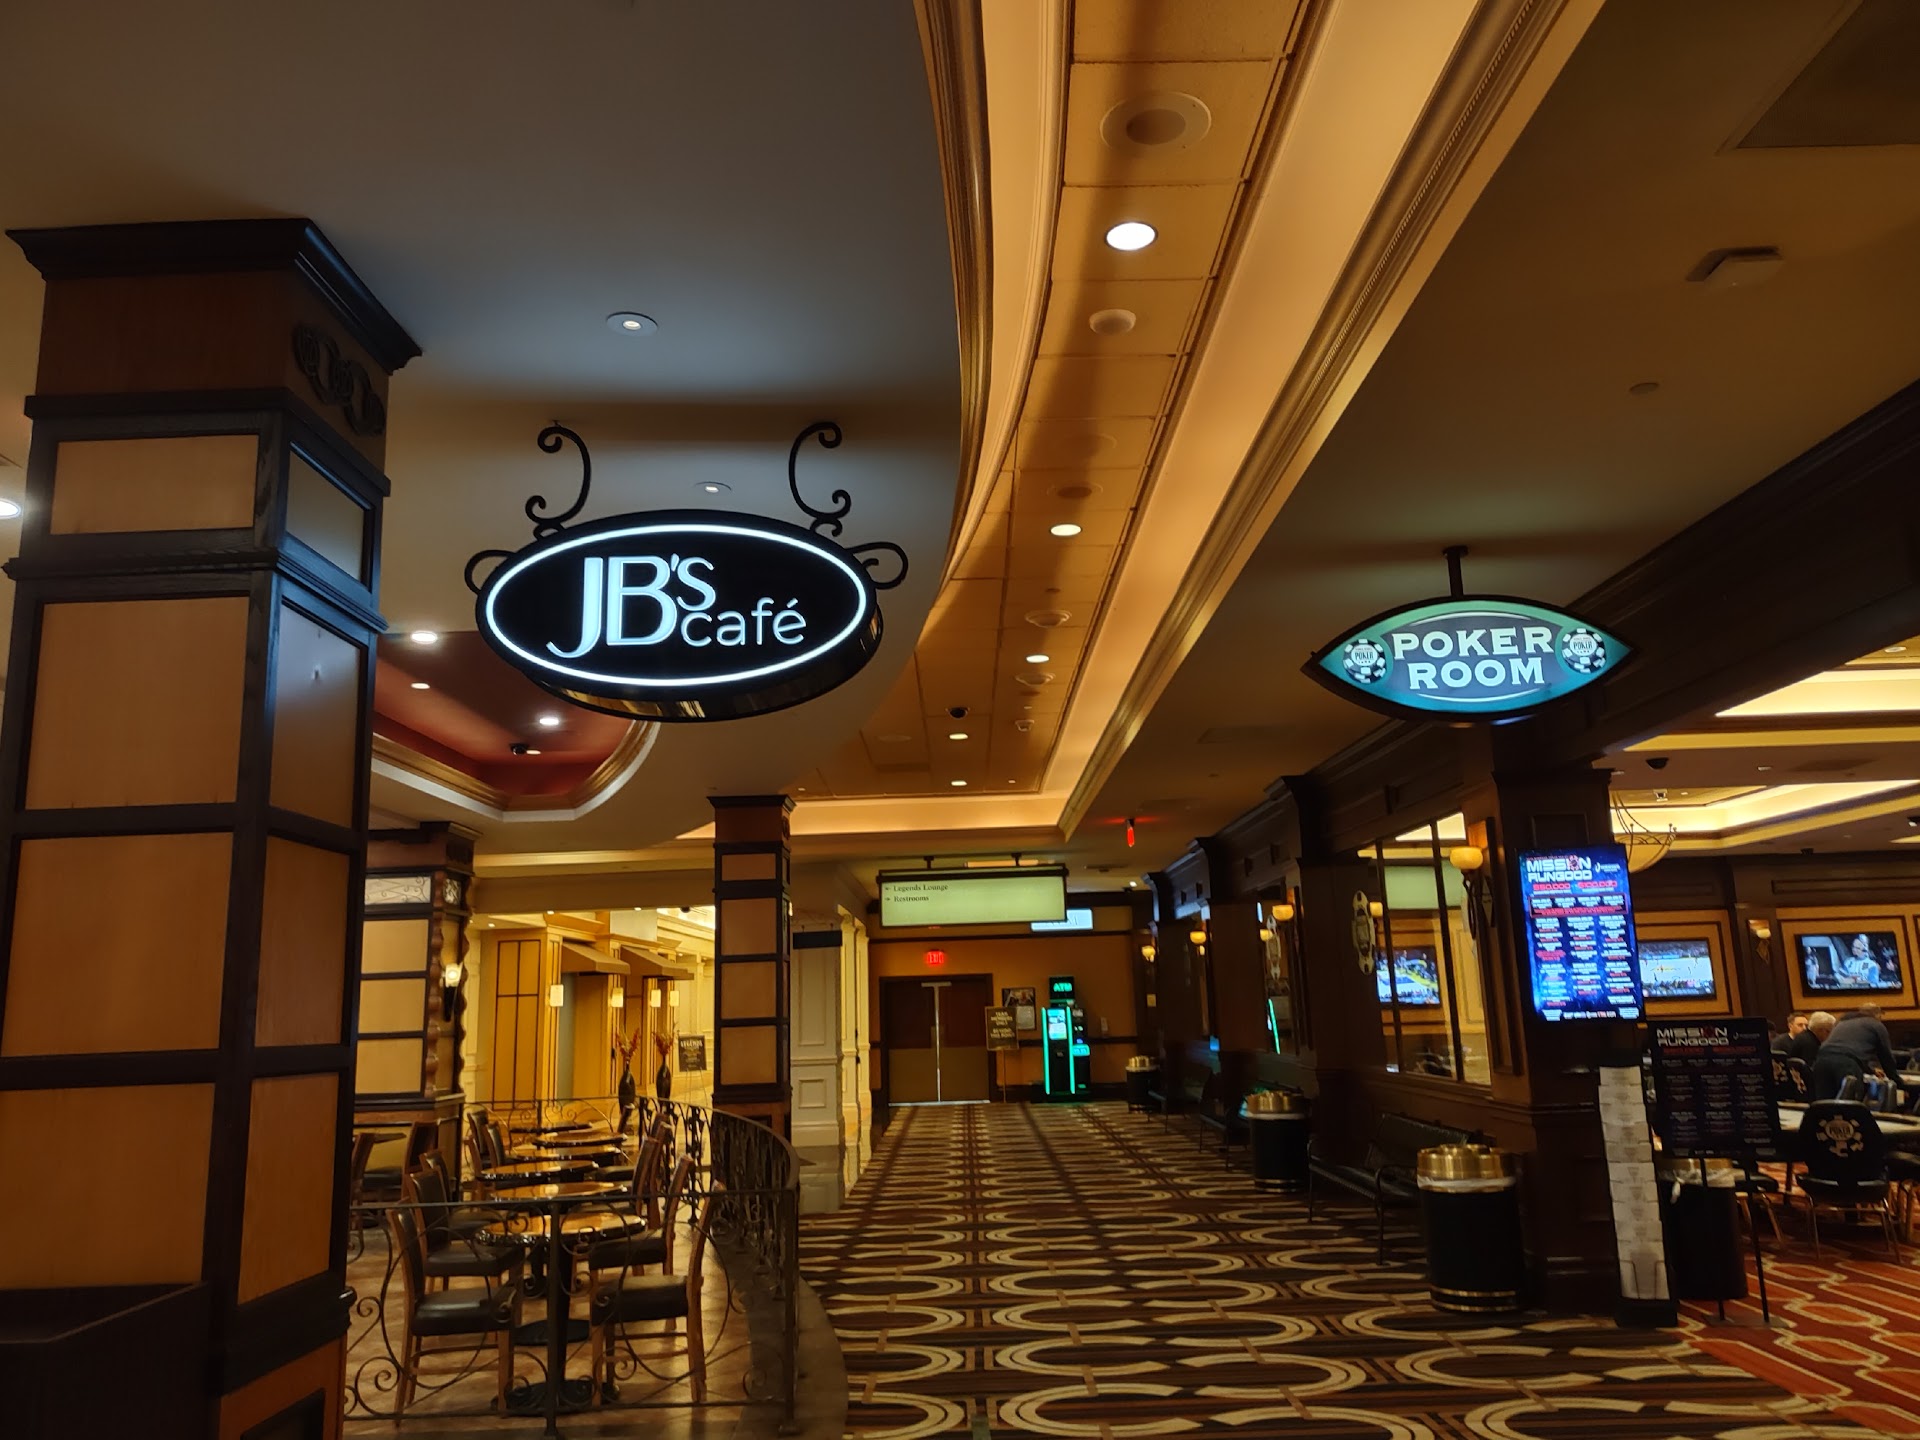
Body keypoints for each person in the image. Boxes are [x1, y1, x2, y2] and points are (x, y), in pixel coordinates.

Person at [1811, 1003, 1897, 1101]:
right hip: (1845, 1065)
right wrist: (1898, 1082)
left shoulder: (1842, 1022)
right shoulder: (1876, 1025)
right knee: (1851, 1104)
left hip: (1821, 1060)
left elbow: (1848, 1050)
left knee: (1823, 1103)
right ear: (1878, 1015)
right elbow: (1886, 1058)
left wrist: (1871, 1071)